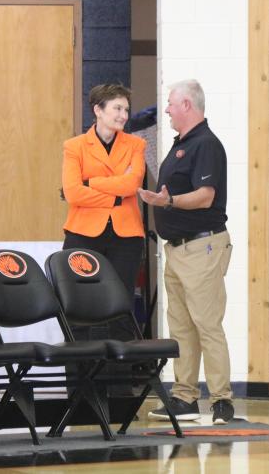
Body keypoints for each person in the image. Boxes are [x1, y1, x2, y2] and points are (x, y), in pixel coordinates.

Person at [138, 79, 234, 424]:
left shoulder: (206, 144)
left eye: (170, 103)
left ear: (187, 106)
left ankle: (222, 400)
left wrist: (169, 201)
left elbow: (206, 196)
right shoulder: (181, 145)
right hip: (177, 250)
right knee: (181, 327)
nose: (166, 109)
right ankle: (184, 397)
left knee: (207, 324)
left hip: (202, 246)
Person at [61, 83, 146, 395]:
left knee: (120, 307)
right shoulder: (74, 146)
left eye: (126, 109)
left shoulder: (135, 145)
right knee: (79, 307)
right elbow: (72, 192)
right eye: (117, 109)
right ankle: (80, 390)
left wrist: (92, 182)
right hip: (83, 233)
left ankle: (120, 391)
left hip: (125, 236)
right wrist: (111, 196)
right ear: (98, 110)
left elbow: (131, 184)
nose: (123, 115)